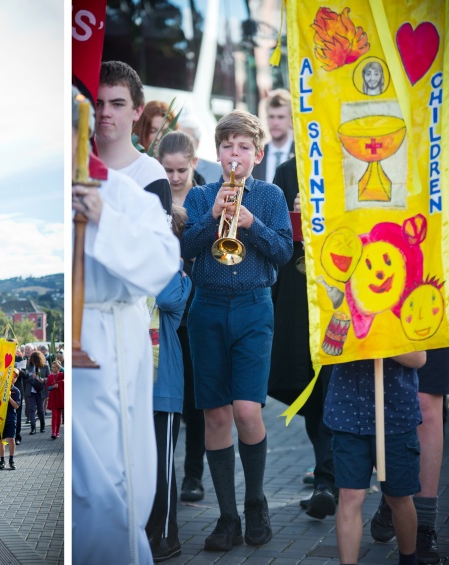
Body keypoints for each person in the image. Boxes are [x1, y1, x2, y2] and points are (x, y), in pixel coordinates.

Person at [72, 85, 180, 565]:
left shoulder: (124, 190)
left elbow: (163, 261)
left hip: (111, 341)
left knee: (110, 481)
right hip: (74, 346)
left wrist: (102, 218)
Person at [181, 110, 293, 551]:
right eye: (227, 146)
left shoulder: (269, 196)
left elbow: (284, 252)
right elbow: (187, 250)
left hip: (253, 308)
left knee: (247, 411)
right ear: (217, 151)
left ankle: (256, 502)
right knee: (216, 414)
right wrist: (212, 219)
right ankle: (227, 517)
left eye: (243, 147)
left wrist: (250, 223)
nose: (234, 154)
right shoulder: (199, 195)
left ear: (257, 154)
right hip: (206, 308)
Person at [268, 156, 337, 519]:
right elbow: (280, 239)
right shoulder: (288, 171)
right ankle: (327, 475)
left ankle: (331, 478)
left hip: (341, 289)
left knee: (332, 387)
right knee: (307, 385)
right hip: (299, 290)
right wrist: (294, 216)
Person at [324, 352, 426, 565]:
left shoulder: (404, 316)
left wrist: (383, 342)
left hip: (395, 416)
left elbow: (419, 358)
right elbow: (326, 348)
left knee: (398, 496)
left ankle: (409, 560)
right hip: (348, 414)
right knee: (350, 495)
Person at [155, 130, 207, 503]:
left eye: (180, 170)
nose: (174, 177)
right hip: (164, 311)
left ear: (193, 163)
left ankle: (193, 475)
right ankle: (165, 472)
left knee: (196, 401)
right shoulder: (153, 196)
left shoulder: (204, 196)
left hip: (197, 306)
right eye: (167, 169)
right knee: (169, 398)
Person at [369, 347, 449, 564]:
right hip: (384, 312)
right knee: (385, 390)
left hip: (435, 315)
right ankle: (397, 493)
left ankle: (424, 524)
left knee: (427, 402)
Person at [145, 205, 192, 563]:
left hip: (164, 387)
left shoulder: (178, 277)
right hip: (136, 385)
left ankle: (166, 536)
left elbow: (164, 300)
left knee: (162, 465)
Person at [95, 60, 172, 215]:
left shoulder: (150, 174)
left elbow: (156, 238)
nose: (105, 112)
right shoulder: (74, 164)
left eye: (117, 104)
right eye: (98, 103)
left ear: (137, 111)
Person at [256, 89, 294, 184]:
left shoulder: (301, 155)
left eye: (281, 117)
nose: (275, 123)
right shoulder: (255, 155)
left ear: (291, 119)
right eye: (271, 117)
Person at [176, 116, 221, 184]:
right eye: (178, 139)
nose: (182, 144)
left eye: (186, 139)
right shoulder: (164, 168)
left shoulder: (216, 171)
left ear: (197, 142)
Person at [0, 369, 21, 470]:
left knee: (11, 438)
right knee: (1, 439)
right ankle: (2, 460)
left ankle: (11, 459)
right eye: (11, 376)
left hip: (11, 417)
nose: (13, 378)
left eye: (15, 377)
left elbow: (16, 406)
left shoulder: (16, 391)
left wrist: (9, 397)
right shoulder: (0, 388)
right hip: (0, 418)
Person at [27, 351, 49, 435]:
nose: (33, 362)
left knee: (40, 410)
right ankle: (33, 428)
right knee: (32, 409)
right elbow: (25, 379)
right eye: (32, 360)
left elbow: (49, 377)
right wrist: (30, 377)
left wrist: (43, 380)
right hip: (31, 391)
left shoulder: (45, 366)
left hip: (40, 391)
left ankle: (42, 426)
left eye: (35, 360)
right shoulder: (28, 366)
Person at [46, 361, 64, 439]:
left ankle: (57, 432)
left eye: (54, 367)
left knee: (59, 416)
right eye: (52, 367)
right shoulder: (50, 376)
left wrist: (60, 367)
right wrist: (53, 387)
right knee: (54, 415)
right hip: (53, 398)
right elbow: (47, 387)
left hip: (60, 397)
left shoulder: (62, 375)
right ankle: (53, 432)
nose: (53, 369)